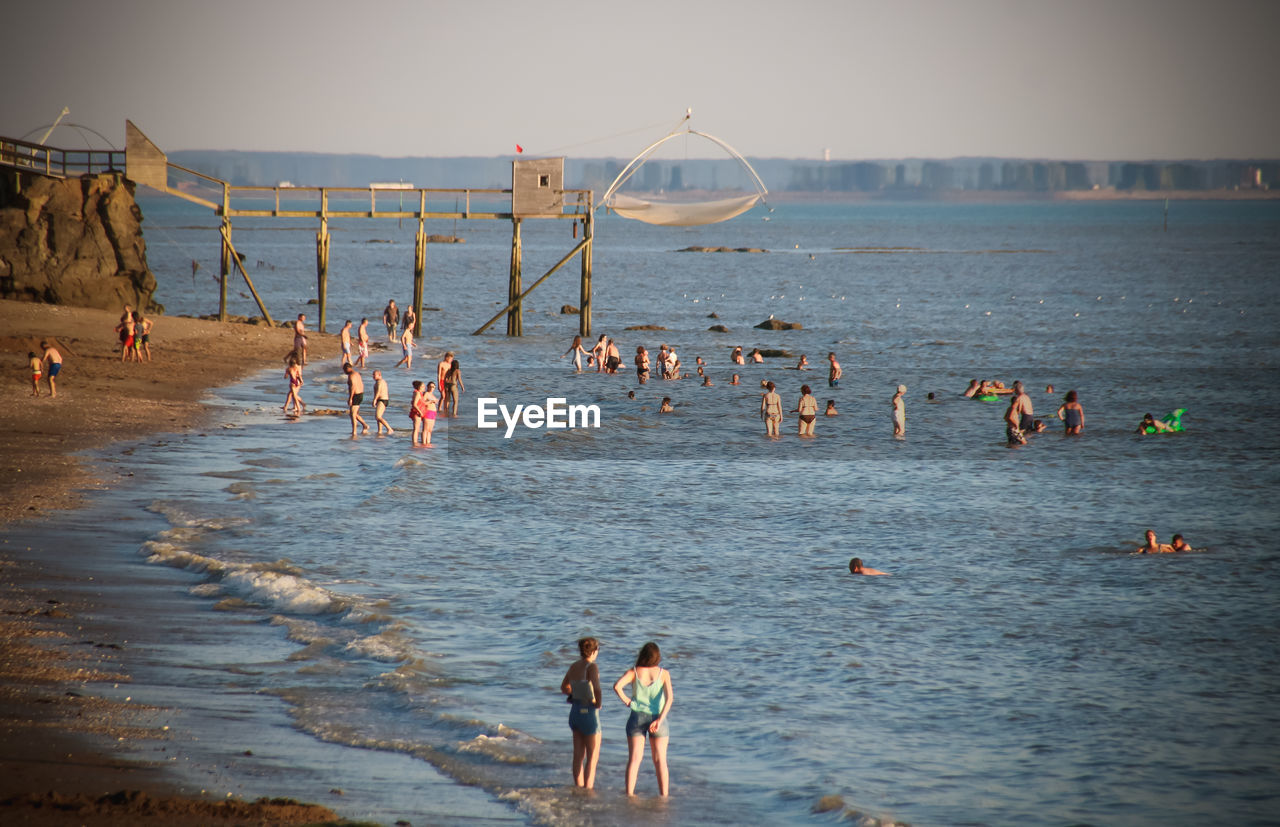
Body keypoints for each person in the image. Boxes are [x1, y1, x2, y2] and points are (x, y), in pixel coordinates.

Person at [613, 642, 673, 797]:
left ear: (642, 655)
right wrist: (660, 719)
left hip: (636, 717)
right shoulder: (663, 673)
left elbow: (617, 686)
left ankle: (630, 794)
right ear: (657, 657)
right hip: (657, 719)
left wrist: (628, 701)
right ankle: (664, 796)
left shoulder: (634, 672)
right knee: (660, 761)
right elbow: (670, 699)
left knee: (634, 759)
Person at [560, 637, 603, 790]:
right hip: (588, 712)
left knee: (578, 755)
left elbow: (564, 687)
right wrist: (598, 703)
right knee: (592, 756)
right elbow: (597, 688)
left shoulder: (574, 666)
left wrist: (576, 692)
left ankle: (578, 788)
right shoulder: (591, 667)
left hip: (575, 711)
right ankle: (588, 790)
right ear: (593, 651)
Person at [344, 364, 369, 436]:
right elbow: (361, 384)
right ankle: (365, 425)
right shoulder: (357, 374)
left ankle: (354, 432)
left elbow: (353, 387)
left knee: (353, 414)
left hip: (356, 395)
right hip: (360, 394)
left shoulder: (351, 375)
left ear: (347, 369)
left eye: (344, 370)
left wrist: (350, 398)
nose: (345, 372)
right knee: (354, 413)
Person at [371, 369, 393, 435]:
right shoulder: (379, 381)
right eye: (373, 375)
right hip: (382, 400)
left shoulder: (380, 382)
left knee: (378, 416)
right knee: (379, 416)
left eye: (374, 375)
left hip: (382, 400)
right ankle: (380, 431)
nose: (373, 376)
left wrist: (374, 400)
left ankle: (389, 429)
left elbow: (379, 391)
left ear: (379, 375)